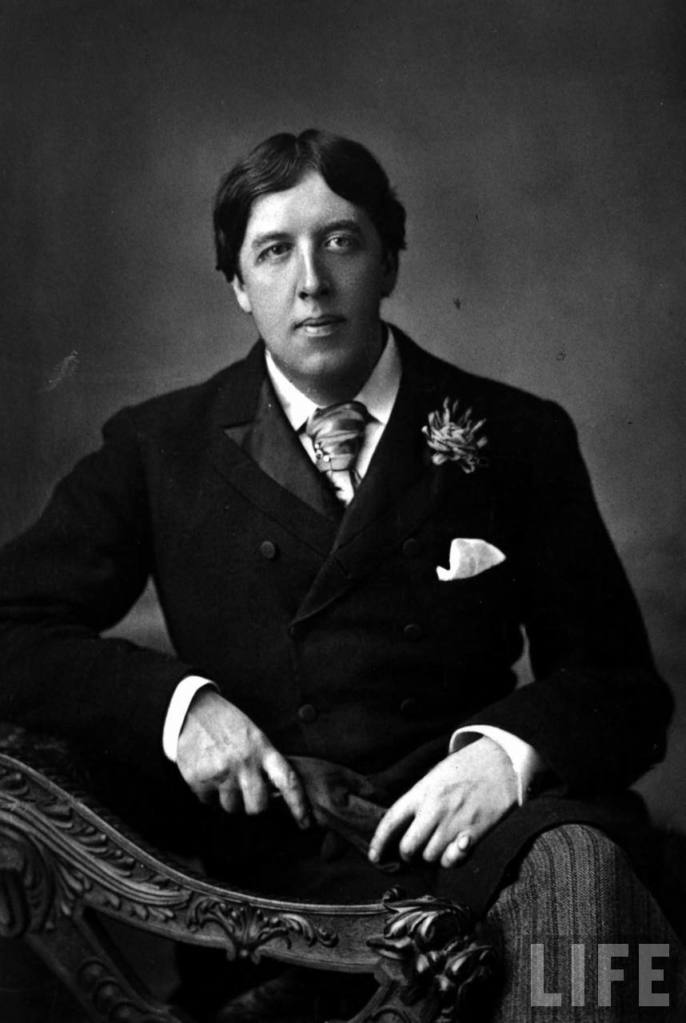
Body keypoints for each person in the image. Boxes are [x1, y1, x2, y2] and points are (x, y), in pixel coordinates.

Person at [0, 129, 681, 1020]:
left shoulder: (520, 434)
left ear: (388, 261)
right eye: (274, 251)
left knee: (583, 883)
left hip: (485, 840)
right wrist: (182, 708)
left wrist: (504, 754)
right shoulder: (158, 448)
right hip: (280, 890)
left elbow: (624, 688)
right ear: (238, 285)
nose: (312, 281)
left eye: (341, 241)